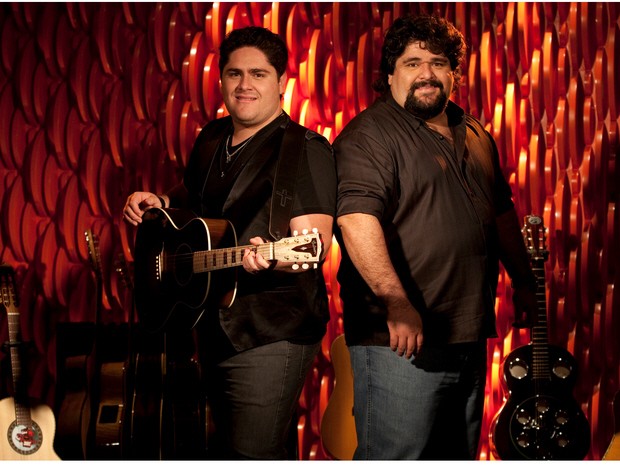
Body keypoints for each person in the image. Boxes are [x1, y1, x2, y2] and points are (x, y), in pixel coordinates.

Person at [123, 26, 336, 459]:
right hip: (209, 322)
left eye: (258, 74)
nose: (244, 85)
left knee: (249, 453)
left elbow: (314, 244)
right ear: (221, 79)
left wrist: (270, 259)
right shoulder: (212, 137)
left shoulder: (305, 149)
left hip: (271, 330)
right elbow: (193, 200)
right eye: (235, 73)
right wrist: (161, 202)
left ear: (281, 82)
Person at [333, 14, 538, 460]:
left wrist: (524, 281)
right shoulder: (369, 135)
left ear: (454, 73)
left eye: (438, 62)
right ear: (389, 75)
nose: (426, 73)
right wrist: (397, 302)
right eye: (412, 63)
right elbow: (355, 221)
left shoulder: (474, 130)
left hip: (466, 333)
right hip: (399, 341)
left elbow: (500, 212)